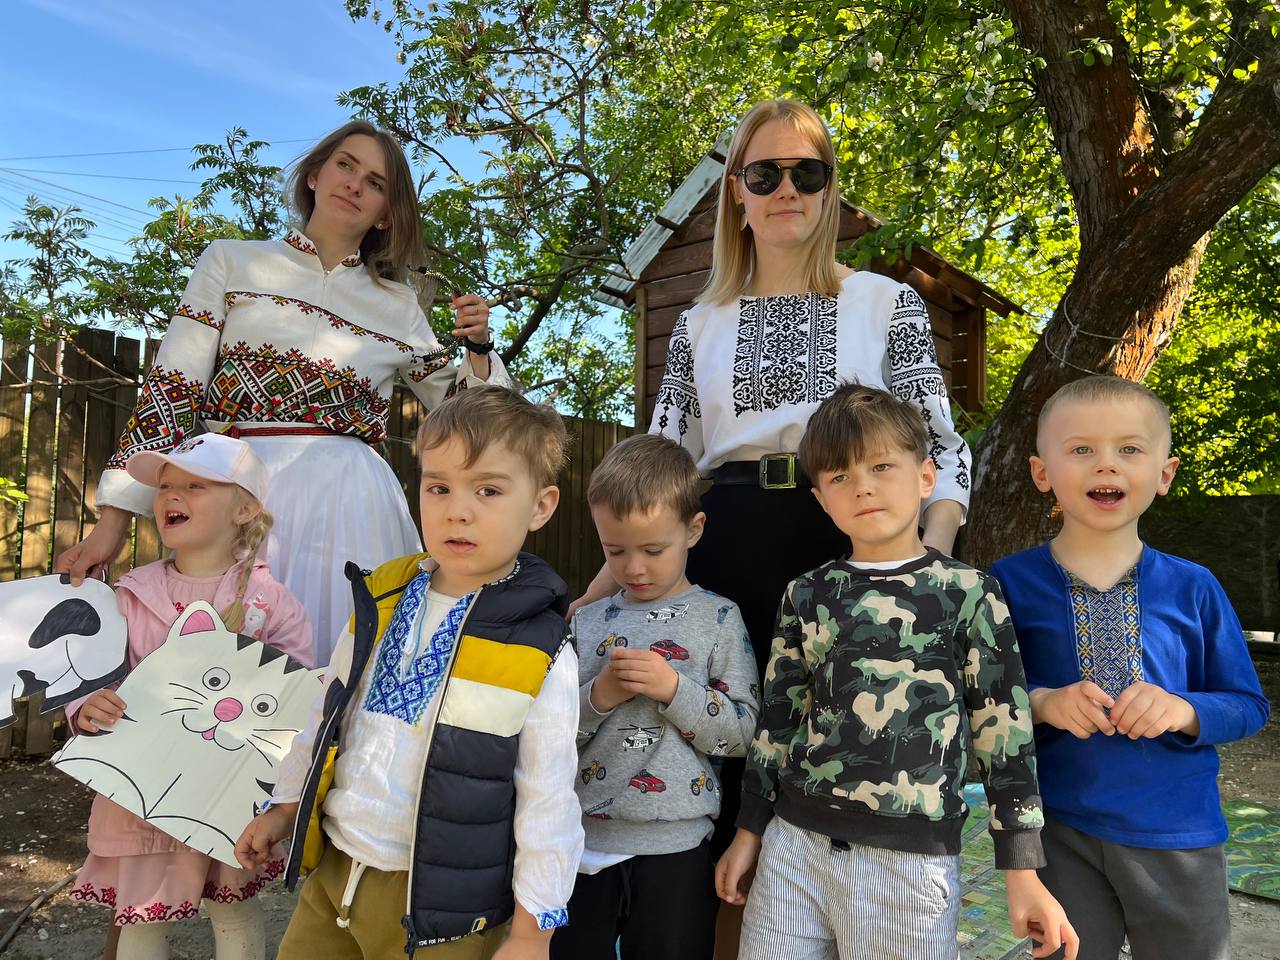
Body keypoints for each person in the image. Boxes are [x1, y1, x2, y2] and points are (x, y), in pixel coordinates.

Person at [570, 100, 972, 875]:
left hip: (849, 549)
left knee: (840, 766)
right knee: (723, 786)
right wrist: (603, 582)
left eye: (807, 173)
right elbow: (662, 465)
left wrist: (925, 564)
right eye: (764, 173)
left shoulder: (888, 304)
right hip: (724, 550)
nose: (786, 188)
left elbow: (942, 448)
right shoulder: (698, 323)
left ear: (829, 188)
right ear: (737, 191)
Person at [56, 119, 510, 664]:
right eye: (345, 165)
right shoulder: (232, 261)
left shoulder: (398, 305)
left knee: (348, 666)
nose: (354, 184)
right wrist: (113, 523)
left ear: (386, 213)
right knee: (224, 672)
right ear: (315, 175)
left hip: (354, 502)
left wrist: (479, 349)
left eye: (376, 183)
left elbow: (470, 416)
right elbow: (173, 387)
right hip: (240, 491)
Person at [716, 383, 1078, 960]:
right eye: (840, 476)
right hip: (793, 846)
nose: (863, 486)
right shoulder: (806, 594)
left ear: (926, 477)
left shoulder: (969, 593)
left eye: (882, 466)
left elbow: (1004, 732)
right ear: (822, 500)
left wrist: (1022, 869)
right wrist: (748, 830)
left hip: (911, 862)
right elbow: (778, 719)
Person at [234, 386, 583, 959]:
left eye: (489, 490)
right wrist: (288, 806)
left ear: (540, 507)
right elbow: (326, 713)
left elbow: (548, 798)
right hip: (335, 873)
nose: (457, 510)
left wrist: (531, 932)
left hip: (445, 912)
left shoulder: (540, 646)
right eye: (439, 487)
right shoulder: (379, 596)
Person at [989, 376, 1270, 960]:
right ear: (1042, 473)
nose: (1106, 464)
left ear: (1164, 474)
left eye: (1130, 449)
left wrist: (1183, 709)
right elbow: (985, 699)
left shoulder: (1195, 587)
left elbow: (1248, 705)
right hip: (1060, 828)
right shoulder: (1008, 582)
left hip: (1179, 833)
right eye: (1081, 448)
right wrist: (1043, 701)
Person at [64, 433, 313, 960]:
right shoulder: (130, 594)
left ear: (244, 509)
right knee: (142, 917)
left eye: (195, 486)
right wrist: (86, 707)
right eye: (165, 487)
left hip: (226, 800)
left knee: (233, 912)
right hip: (139, 795)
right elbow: (90, 676)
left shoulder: (271, 604)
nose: (171, 496)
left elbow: (300, 700)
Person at [551, 434, 760, 960]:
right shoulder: (587, 622)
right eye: (615, 551)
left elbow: (743, 736)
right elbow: (549, 737)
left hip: (679, 851)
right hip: (583, 847)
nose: (634, 568)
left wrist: (675, 690)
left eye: (652, 550)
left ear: (694, 529)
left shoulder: (719, 618)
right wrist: (599, 696)